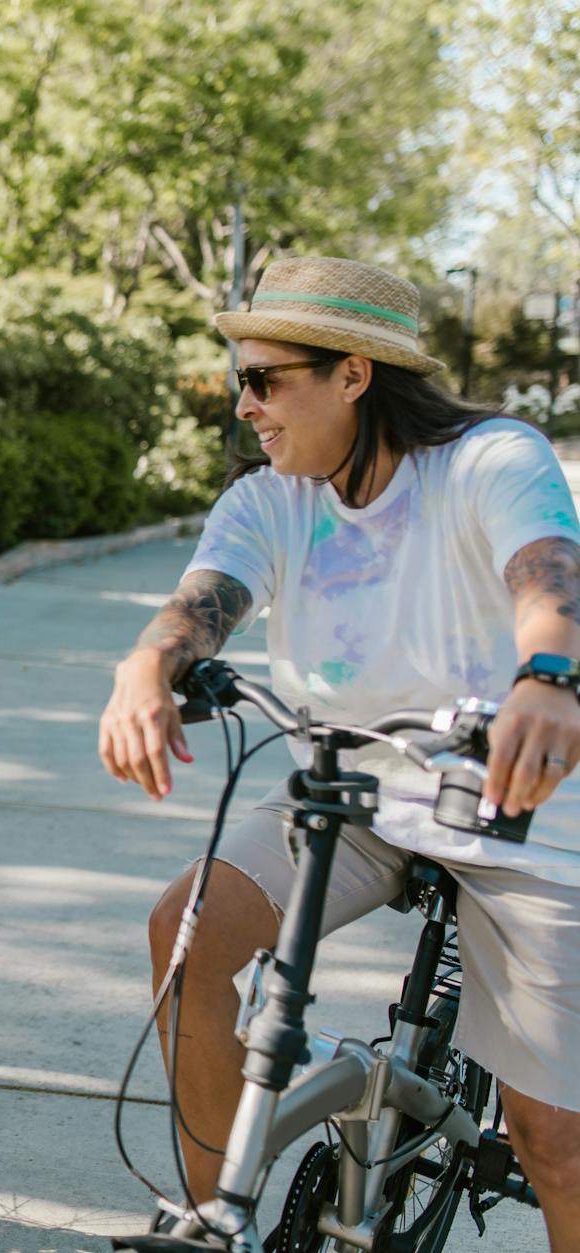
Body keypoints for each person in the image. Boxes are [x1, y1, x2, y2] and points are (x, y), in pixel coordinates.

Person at [98, 256, 580, 1249]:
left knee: (551, 1136)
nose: (243, 405)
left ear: (352, 373)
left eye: (265, 378)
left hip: (515, 801)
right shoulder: (271, 498)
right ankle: (208, 1214)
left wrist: (547, 674)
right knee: (183, 936)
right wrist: (144, 668)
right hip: (349, 793)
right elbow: (198, 607)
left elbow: (547, 574)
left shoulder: (490, 459)